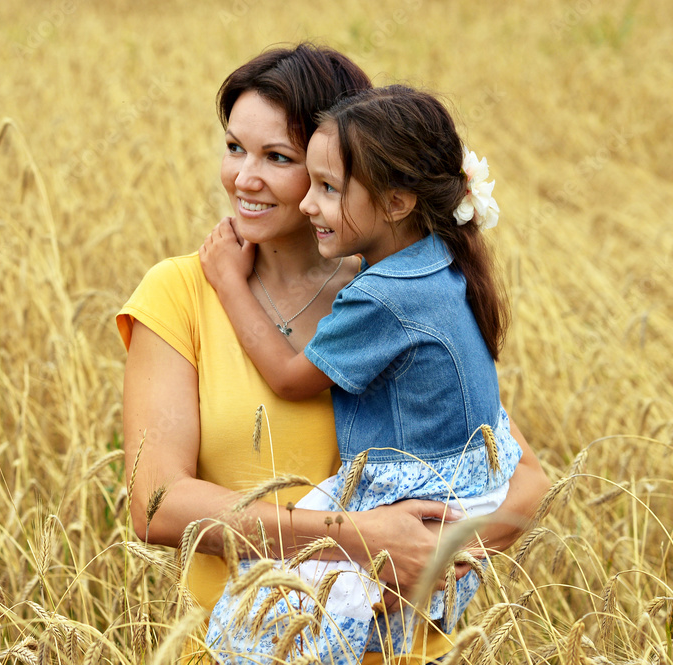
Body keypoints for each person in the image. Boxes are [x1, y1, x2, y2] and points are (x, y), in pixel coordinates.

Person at [117, 45, 549, 663]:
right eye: (235, 147)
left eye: (279, 158)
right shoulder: (182, 292)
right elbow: (157, 506)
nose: (243, 177)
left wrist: (432, 552)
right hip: (250, 649)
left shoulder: (396, 300)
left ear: (355, 171)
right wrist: (358, 539)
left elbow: (524, 481)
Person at [199, 84, 521, 662]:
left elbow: (290, 378)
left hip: (406, 502)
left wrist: (227, 280)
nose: (307, 204)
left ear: (398, 203)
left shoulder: (379, 296)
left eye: (327, 188)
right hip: (472, 496)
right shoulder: (439, 262)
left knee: (260, 626)